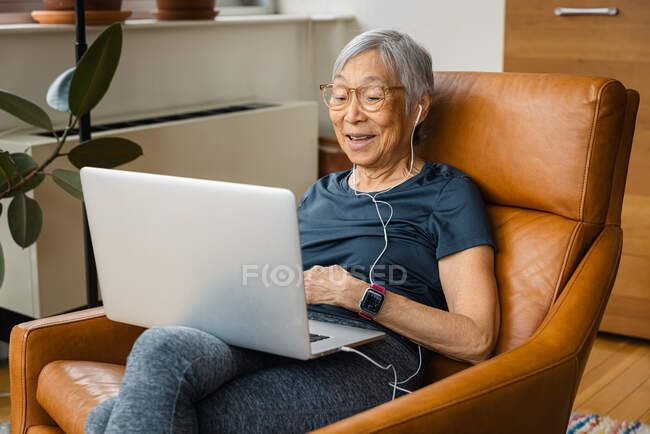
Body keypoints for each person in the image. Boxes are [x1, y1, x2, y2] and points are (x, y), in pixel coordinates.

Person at [85, 29, 499, 434]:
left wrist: (359, 295)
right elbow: (277, 279)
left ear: (417, 107)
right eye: (339, 96)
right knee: (161, 347)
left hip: (373, 357)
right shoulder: (320, 192)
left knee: (110, 419)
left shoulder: (448, 193)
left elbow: (476, 338)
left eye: (372, 97)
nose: (351, 114)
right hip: (282, 335)